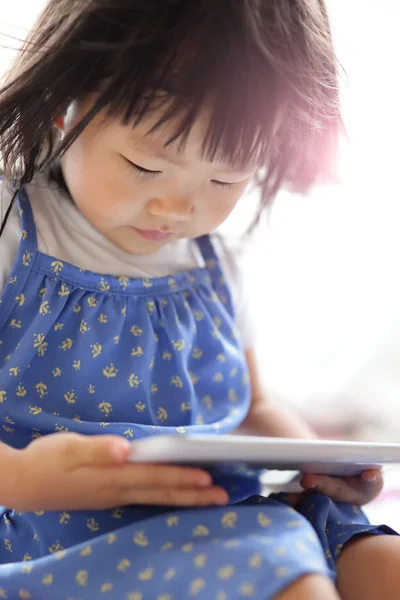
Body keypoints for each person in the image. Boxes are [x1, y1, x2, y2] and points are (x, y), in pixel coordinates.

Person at [0, 1, 399, 598]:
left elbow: (253, 407)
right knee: (284, 570)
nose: (179, 207)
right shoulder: (14, 231)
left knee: (381, 560)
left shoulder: (214, 264)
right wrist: (23, 478)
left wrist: (322, 465)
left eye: (225, 180)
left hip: (215, 507)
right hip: (61, 525)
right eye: (144, 166)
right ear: (66, 103)